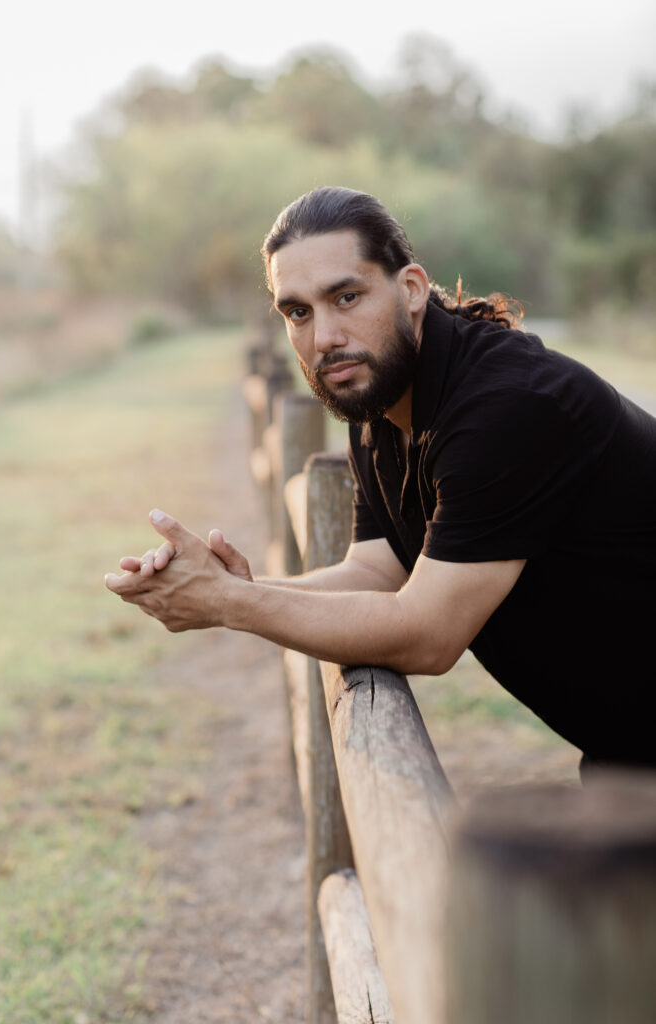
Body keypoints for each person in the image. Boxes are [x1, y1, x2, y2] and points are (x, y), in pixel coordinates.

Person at [105, 186, 656, 775]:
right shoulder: (381, 404)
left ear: (412, 289)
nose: (324, 338)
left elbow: (427, 634)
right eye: (298, 312)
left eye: (346, 296)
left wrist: (229, 602)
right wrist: (241, 586)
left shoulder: (508, 407)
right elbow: (375, 572)